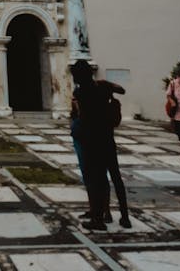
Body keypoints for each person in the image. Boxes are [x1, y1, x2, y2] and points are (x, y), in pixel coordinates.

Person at [70, 59, 130, 231]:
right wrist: (106, 83)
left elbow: (81, 116)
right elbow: (121, 90)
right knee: (115, 177)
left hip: (91, 139)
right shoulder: (102, 87)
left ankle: (99, 218)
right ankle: (124, 216)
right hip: (107, 137)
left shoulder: (81, 93)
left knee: (97, 178)